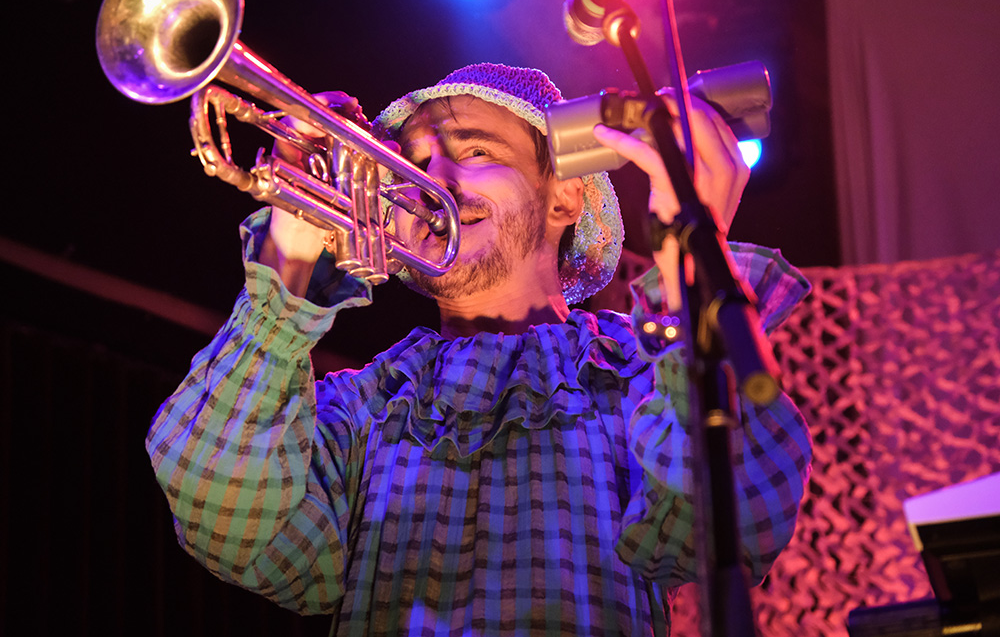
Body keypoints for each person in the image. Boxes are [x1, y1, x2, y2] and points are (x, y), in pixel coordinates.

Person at [147, 63, 812, 635]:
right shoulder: (368, 403)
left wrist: (685, 274)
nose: (430, 175)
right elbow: (230, 525)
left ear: (565, 194)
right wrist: (287, 266)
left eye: (474, 151)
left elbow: (732, 519)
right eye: (411, 161)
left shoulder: (636, 371)